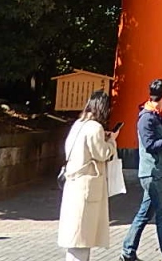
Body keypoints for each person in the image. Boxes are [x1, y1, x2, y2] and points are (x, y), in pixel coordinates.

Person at [121, 79, 162, 261]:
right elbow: (150, 145)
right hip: (152, 172)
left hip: (157, 171)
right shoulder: (147, 117)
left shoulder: (158, 114)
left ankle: (128, 251)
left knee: (144, 214)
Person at [58, 90, 119, 261]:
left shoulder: (78, 124)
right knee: (82, 236)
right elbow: (102, 153)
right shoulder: (95, 127)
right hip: (86, 187)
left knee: (76, 235)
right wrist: (112, 141)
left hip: (73, 183)